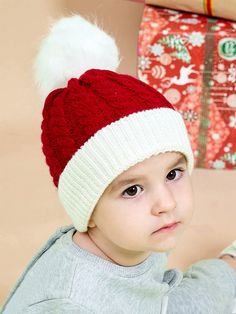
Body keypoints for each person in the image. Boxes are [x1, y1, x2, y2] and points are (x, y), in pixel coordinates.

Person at [1, 14, 236, 314]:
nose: (165, 203)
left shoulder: (127, 238)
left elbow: (158, 302)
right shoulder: (72, 304)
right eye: (132, 190)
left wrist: (228, 268)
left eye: (173, 173)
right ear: (88, 211)